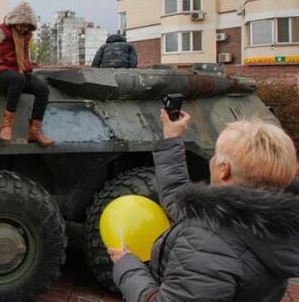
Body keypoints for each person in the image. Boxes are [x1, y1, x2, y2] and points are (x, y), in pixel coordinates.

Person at [109, 112, 299, 302]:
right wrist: (171, 139)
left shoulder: (207, 244)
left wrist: (128, 268)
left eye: (216, 155)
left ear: (224, 169)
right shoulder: (279, 221)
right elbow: (180, 200)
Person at [0, 2, 54, 146]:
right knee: (18, 79)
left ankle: (35, 131)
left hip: (19, 72)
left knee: (42, 89)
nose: (23, 28)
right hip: (1, 71)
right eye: (21, 25)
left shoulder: (26, 35)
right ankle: (6, 126)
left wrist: (28, 66)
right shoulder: (0, 32)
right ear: (14, 21)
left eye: (27, 26)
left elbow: (24, 55)